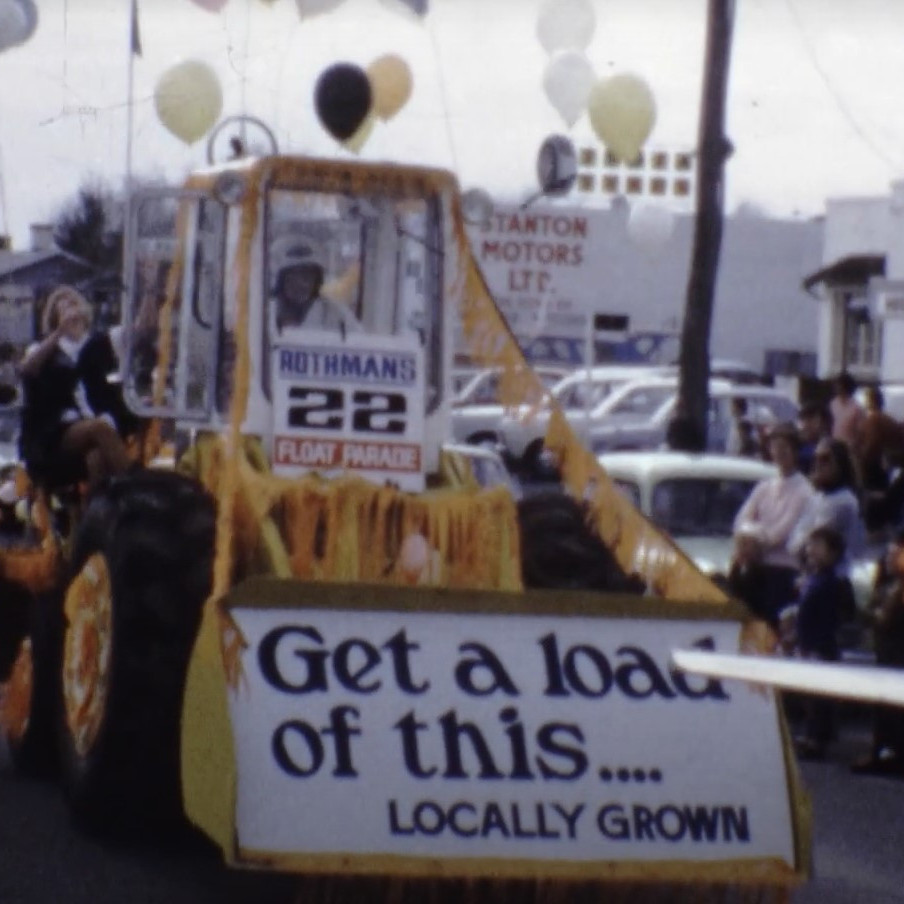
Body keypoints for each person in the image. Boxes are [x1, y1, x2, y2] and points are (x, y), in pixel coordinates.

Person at [19, 285, 135, 491]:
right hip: (57, 433)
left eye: (73, 305)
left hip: (98, 424)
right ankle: (135, 491)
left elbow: (141, 329)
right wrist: (59, 332)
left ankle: (99, 508)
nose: (71, 312)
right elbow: (27, 369)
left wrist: (150, 289)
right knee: (98, 427)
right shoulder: (45, 349)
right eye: (64, 309)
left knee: (97, 459)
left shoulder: (100, 343)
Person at [733, 423, 814, 622]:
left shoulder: (804, 490)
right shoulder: (764, 486)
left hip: (782, 569)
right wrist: (748, 538)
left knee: (771, 622)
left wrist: (757, 539)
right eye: (775, 447)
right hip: (756, 566)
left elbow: (783, 530)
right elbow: (742, 519)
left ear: (795, 451)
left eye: (784, 447)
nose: (779, 452)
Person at [786, 526, 850, 760]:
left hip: (820, 644)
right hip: (806, 640)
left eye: (818, 546)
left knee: (819, 695)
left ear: (833, 553)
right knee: (808, 695)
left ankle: (818, 738)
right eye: (810, 545)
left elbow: (834, 615)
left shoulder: (833, 581)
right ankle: (810, 733)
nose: (811, 550)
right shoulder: (812, 578)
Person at [851, 530, 904, 775]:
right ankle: (882, 751)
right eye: (889, 554)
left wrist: (872, 614)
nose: (891, 559)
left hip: (897, 654)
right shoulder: (887, 584)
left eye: (896, 554)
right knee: (883, 707)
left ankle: (891, 754)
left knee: (894, 709)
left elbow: (885, 619)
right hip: (886, 653)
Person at [789, 437, 864, 580]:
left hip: (834, 579)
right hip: (812, 575)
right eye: (816, 459)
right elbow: (794, 544)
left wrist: (802, 543)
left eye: (825, 459)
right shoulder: (817, 497)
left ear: (840, 464)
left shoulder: (844, 502)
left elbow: (813, 542)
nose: (818, 465)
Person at [273, 243, 363, 337]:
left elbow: (360, 340)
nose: (301, 284)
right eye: (294, 277)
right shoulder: (266, 312)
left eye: (306, 277)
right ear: (282, 281)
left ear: (317, 281)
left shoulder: (334, 312)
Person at [858, 386, 904, 495]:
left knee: (875, 492)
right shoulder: (886, 418)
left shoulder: (874, 419)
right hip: (887, 463)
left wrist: (862, 460)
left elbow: (872, 443)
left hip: (876, 464)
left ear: (870, 401)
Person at [726, 522, 772, 626]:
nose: (741, 548)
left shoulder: (763, 573)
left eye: (745, 544)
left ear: (757, 548)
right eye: (739, 544)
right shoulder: (736, 569)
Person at [829, 371, 866, 451]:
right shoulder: (832, 404)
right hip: (834, 446)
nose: (837, 388)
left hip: (849, 448)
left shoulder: (857, 408)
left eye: (839, 386)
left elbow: (861, 431)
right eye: (836, 385)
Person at [797, 402, 832, 475]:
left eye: (811, 420)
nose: (806, 425)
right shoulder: (797, 446)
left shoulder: (831, 448)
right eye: (803, 420)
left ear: (824, 423)